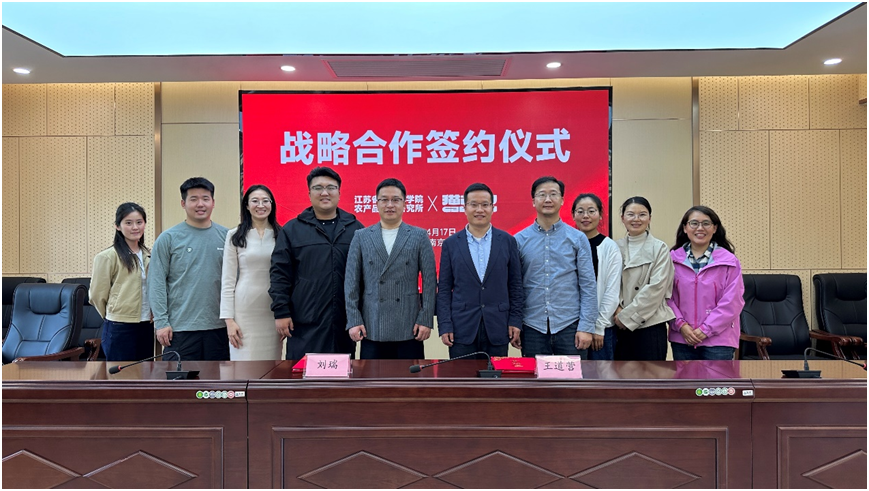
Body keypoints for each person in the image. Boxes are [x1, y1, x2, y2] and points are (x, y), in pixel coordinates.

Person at [269, 167, 364, 360]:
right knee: (302, 373)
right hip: (305, 320)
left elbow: (365, 275)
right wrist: (281, 312)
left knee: (341, 374)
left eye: (331, 187)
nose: (324, 193)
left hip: (343, 322)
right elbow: (280, 274)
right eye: (318, 188)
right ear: (309, 193)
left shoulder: (355, 229)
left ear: (339, 192)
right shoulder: (292, 230)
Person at [344, 178, 436, 359]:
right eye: (384, 200)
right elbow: (351, 283)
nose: (390, 205)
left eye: (396, 200)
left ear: (405, 204)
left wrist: (426, 319)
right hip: (372, 325)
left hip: (409, 325)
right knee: (371, 376)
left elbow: (430, 282)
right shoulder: (361, 236)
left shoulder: (419, 236)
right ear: (376, 203)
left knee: (409, 376)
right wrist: (354, 320)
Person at [437, 183, 524, 359]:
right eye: (474, 204)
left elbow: (515, 285)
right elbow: (444, 289)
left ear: (492, 207)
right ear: (465, 208)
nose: (479, 210)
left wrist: (515, 320)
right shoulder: (451, 244)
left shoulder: (507, 241)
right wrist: (445, 325)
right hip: (461, 328)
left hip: (498, 326)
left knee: (495, 375)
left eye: (485, 204)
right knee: (462, 375)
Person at [514, 176, 597, 358]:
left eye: (553, 194)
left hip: (570, 326)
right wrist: (516, 323)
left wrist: (586, 327)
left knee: (573, 377)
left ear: (562, 200)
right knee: (535, 377)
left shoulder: (577, 238)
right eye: (542, 195)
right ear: (533, 201)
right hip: (532, 327)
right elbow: (515, 287)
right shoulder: (519, 240)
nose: (548, 199)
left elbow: (588, 285)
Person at [148, 177, 229, 361]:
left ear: (213, 202)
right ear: (183, 203)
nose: (200, 204)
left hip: (219, 329)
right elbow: (156, 283)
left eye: (205, 198)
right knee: (178, 379)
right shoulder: (168, 238)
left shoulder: (227, 237)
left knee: (218, 379)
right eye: (194, 199)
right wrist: (161, 322)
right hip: (179, 329)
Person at [667, 206, 744, 360]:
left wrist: (706, 329)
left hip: (719, 340)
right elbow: (666, 298)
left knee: (717, 378)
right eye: (694, 223)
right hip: (683, 338)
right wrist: (681, 325)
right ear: (685, 228)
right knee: (685, 377)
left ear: (715, 228)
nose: (700, 228)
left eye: (706, 223)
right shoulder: (671, 260)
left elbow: (732, 301)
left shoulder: (729, 261)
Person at [221, 185, 282, 360]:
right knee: (243, 362)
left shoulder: (282, 234)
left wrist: (285, 313)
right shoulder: (235, 235)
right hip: (244, 309)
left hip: (273, 309)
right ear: (247, 206)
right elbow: (228, 280)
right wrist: (229, 320)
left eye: (265, 201)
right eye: (255, 201)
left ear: (272, 204)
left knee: (271, 364)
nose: (260, 205)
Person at [89, 202, 154, 361]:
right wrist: (114, 312)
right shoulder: (107, 257)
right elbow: (96, 295)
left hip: (147, 323)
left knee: (145, 371)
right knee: (121, 374)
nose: (135, 227)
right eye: (128, 223)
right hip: (120, 325)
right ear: (117, 226)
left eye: (139, 222)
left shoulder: (149, 255)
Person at [613, 196, 675, 361]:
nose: (636, 219)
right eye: (631, 214)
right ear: (622, 218)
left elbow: (656, 288)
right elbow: (608, 284)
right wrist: (617, 310)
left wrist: (627, 317)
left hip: (650, 324)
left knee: (651, 375)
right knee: (619, 375)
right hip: (617, 324)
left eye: (642, 214)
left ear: (649, 218)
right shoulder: (613, 247)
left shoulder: (660, 248)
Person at [572, 193, 622, 360]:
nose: (585, 216)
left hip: (601, 329)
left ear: (600, 215)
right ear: (573, 215)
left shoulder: (609, 247)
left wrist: (598, 326)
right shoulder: (568, 243)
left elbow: (612, 291)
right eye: (580, 211)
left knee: (601, 374)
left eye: (591, 211)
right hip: (571, 327)